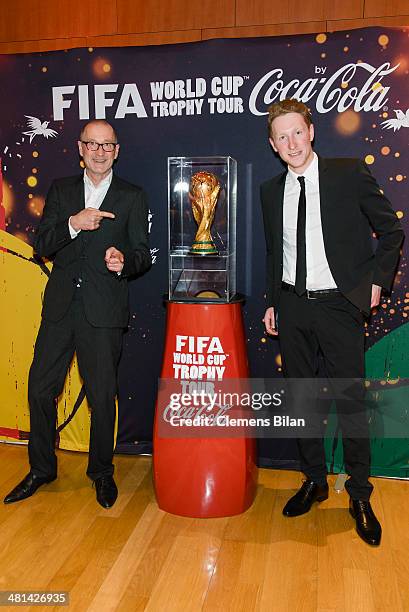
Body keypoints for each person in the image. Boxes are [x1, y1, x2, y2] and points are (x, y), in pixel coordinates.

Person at [261, 99, 404, 546]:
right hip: (294, 306)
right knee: (302, 401)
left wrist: (376, 283)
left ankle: (359, 494)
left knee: (350, 405)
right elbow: (274, 254)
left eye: (297, 132)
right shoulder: (270, 191)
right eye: (282, 137)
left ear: (312, 131)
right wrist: (273, 303)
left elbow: (392, 231)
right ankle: (314, 481)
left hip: (340, 307)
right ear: (273, 145)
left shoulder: (347, 173)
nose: (292, 142)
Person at [4, 119, 151, 509]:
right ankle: (41, 468)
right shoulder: (62, 191)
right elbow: (42, 245)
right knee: (39, 389)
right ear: (80, 149)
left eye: (108, 145)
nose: (100, 151)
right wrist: (73, 223)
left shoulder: (132, 196)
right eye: (93, 144)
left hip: (103, 312)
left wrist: (124, 262)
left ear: (116, 151)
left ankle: (101, 472)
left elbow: (142, 253)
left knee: (102, 398)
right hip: (60, 308)